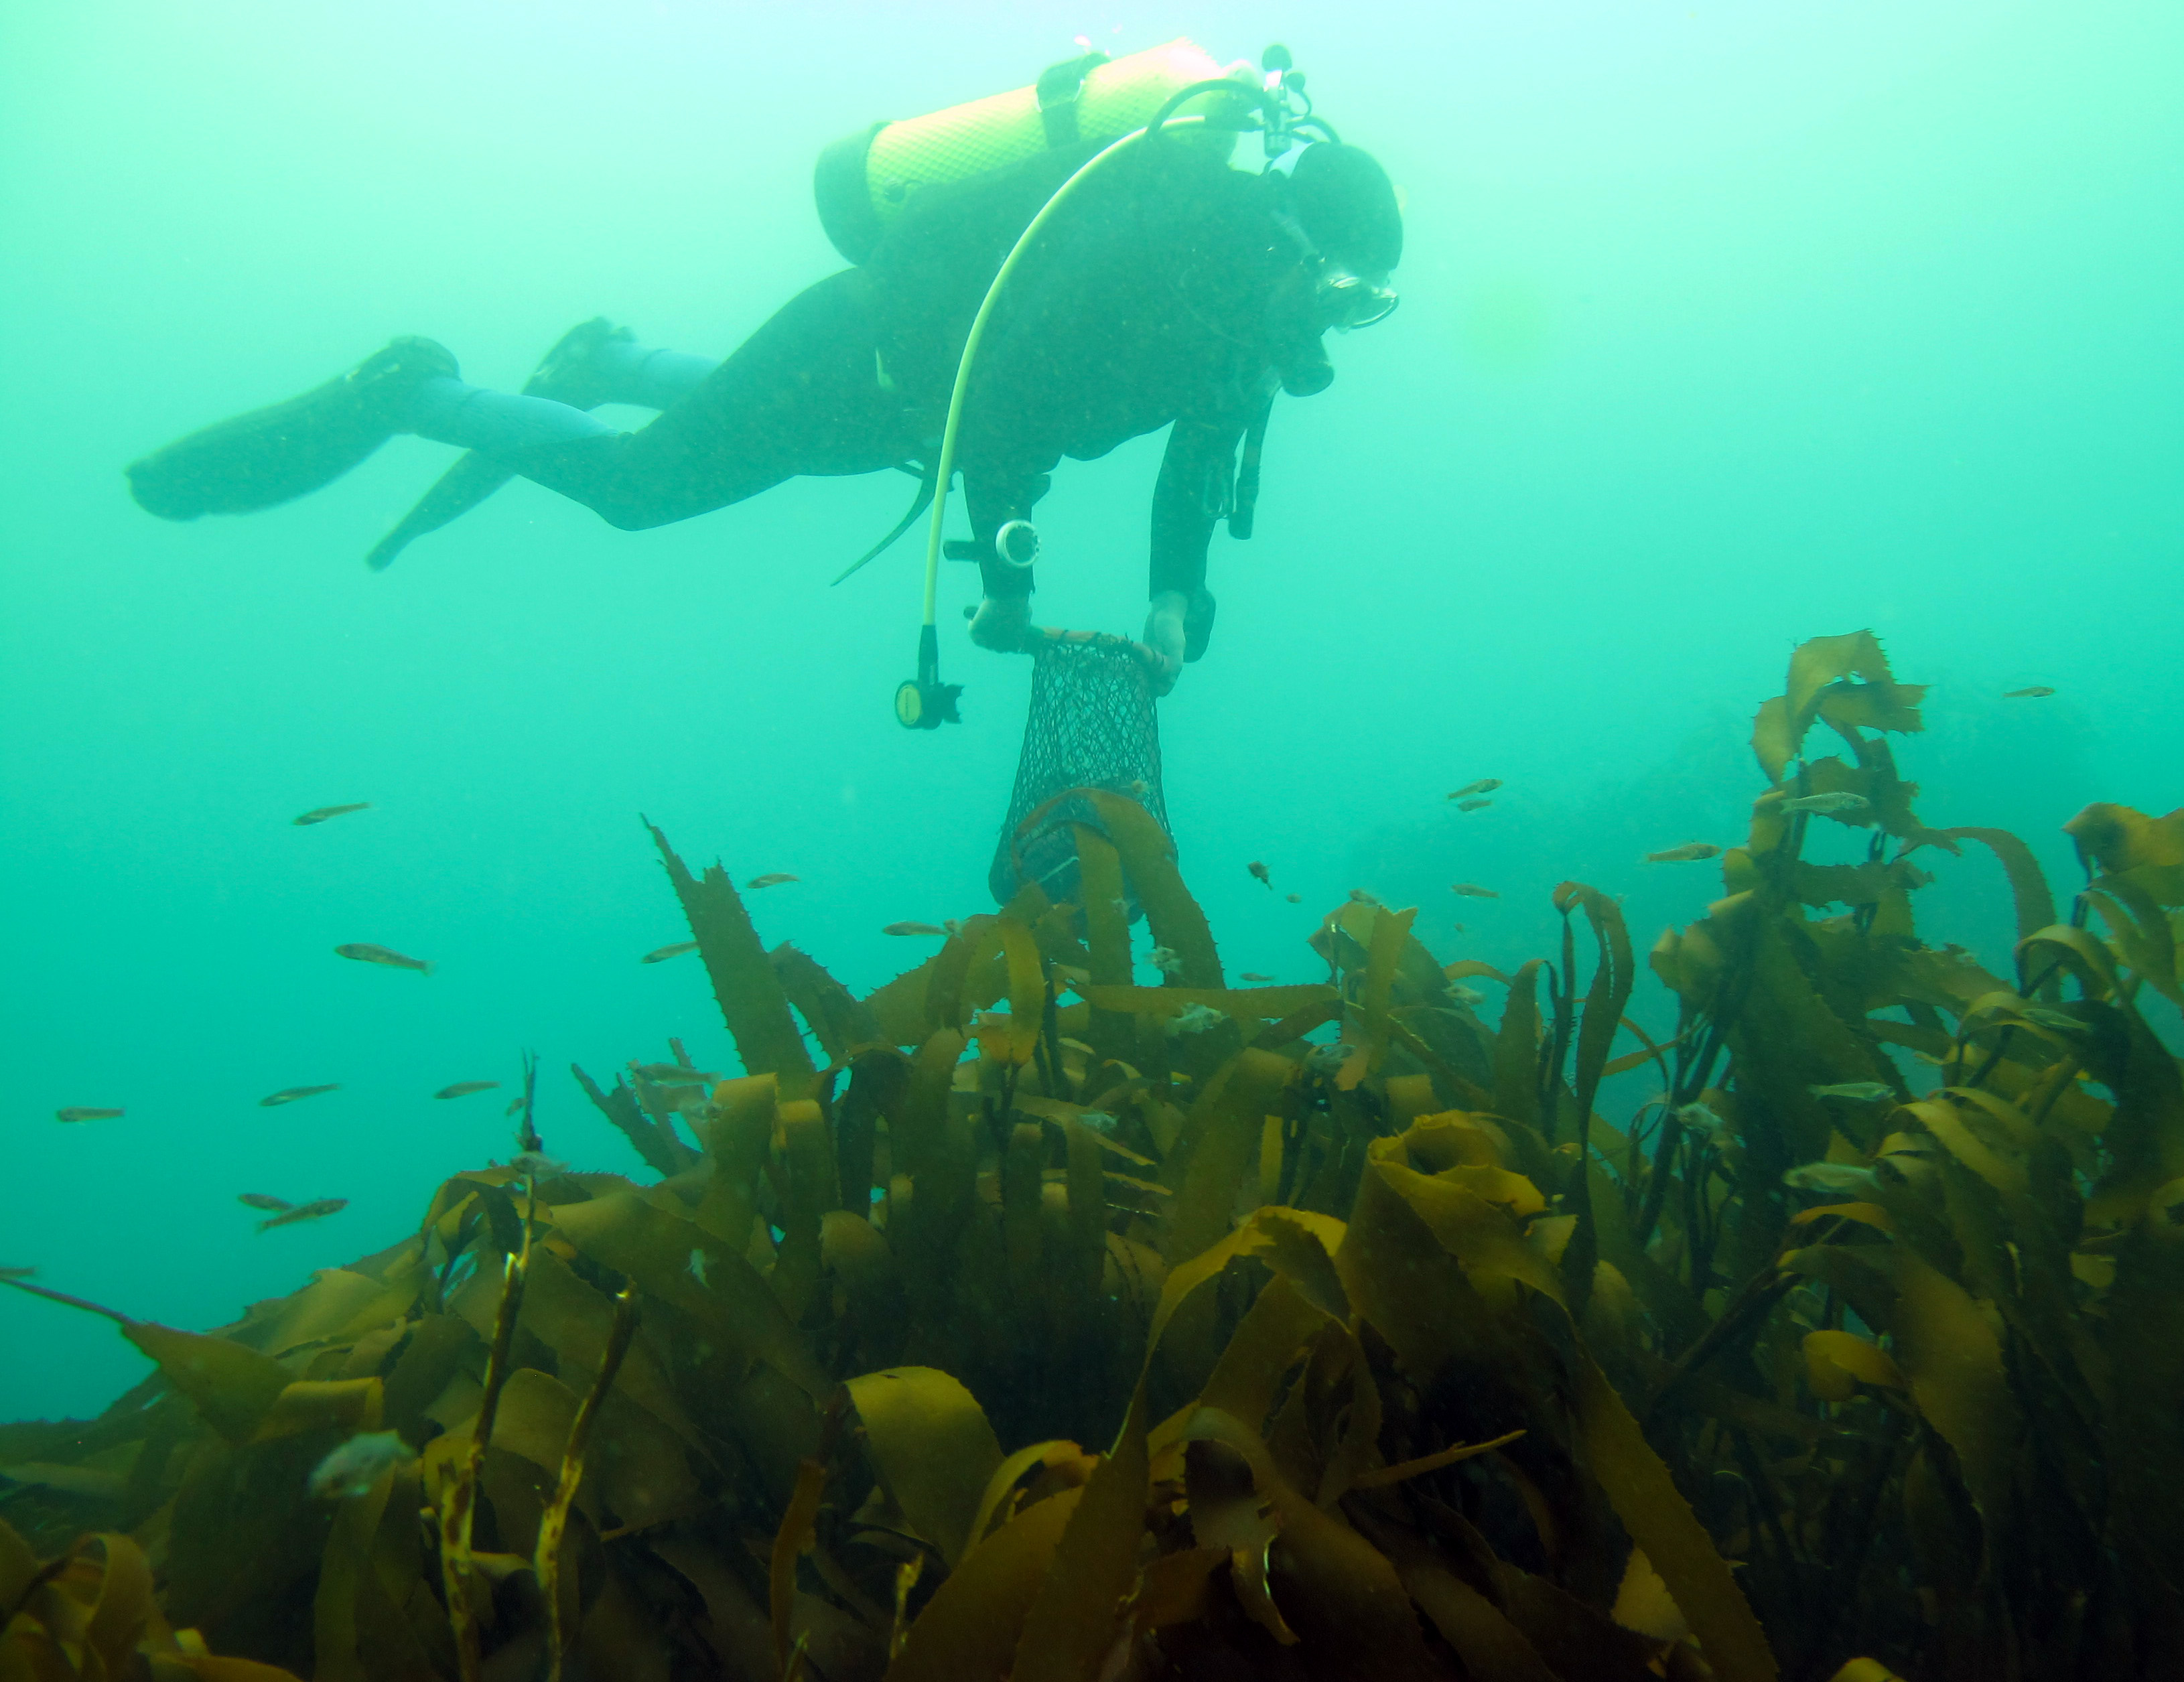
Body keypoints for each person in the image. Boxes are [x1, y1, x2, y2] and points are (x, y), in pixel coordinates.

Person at [125, 134, 1400, 691]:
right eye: (1338, 293)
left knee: (752, 432)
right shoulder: (1164, 234)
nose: (1332, 325)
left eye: (1364, 311)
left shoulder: (1243, 329)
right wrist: (1008, 574)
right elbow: (1007, 384)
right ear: (1287, 234)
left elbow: (1198, 471)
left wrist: (1174, 595)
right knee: (642, 493)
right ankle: (415, 386)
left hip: (892, 417)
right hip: (859, 352)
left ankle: (611, 355)